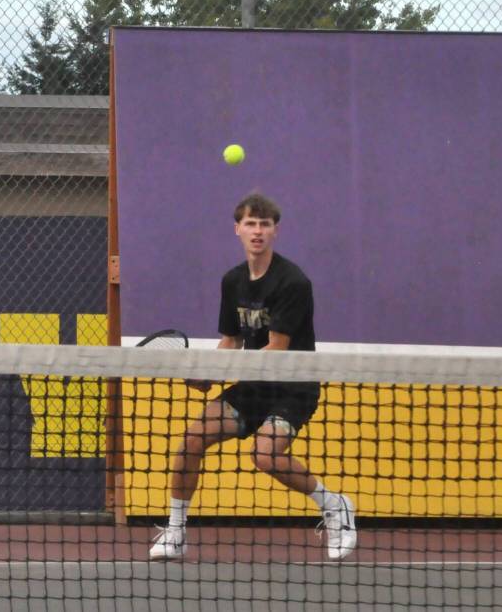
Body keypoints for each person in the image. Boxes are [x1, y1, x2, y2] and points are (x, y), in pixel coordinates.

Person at [149, 193, 356, 561]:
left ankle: (336, 506)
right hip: (254, 385)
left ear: (275, 231)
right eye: (250, 224)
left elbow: (276, 349)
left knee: (265, 455)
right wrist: (206, 374)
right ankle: (177, 531)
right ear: (237, 230)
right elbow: (231, 340)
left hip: (293, 386)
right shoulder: (232, 281)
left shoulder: (293, 282)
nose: (257, 231)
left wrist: (221, 374)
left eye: (264, 224)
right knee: (191, 440)